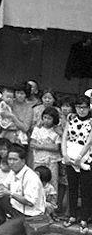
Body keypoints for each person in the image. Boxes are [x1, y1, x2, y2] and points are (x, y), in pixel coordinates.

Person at [0, 145, 49, 235]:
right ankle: (1, 224)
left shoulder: (31, 177)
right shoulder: (13, 171)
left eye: (15, 160)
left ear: (23, 161)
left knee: (0, 233)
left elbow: (30, 202)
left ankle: (16, 228)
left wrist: (9, 193)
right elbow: (4, 186)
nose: (11, 162)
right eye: (10, 159)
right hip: (16, 209)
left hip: (29, 215)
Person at [62, 94, 92, 232]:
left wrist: (80, 157)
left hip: (86, 158)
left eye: (84, 108)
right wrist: (65, 154)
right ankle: (72, 215)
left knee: (86, 190)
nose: (81, 110)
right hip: (70, 156)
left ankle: (84, 218)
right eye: (79, 107)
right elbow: (64, 137)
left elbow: (89, 141)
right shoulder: (71, 119)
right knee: (72, 188)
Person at [30, 106, 61, 192]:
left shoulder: (56, 131)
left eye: (49, 118)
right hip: (39, 160)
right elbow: (32, 144)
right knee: (37, 182)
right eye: (45, 117)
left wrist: (40, 146)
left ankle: (52, 203)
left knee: (53, 182)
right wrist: (49, 146)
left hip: (52, 161)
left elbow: (57, 147)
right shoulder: (37, 129)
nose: (46, 120)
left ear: (54, 119)